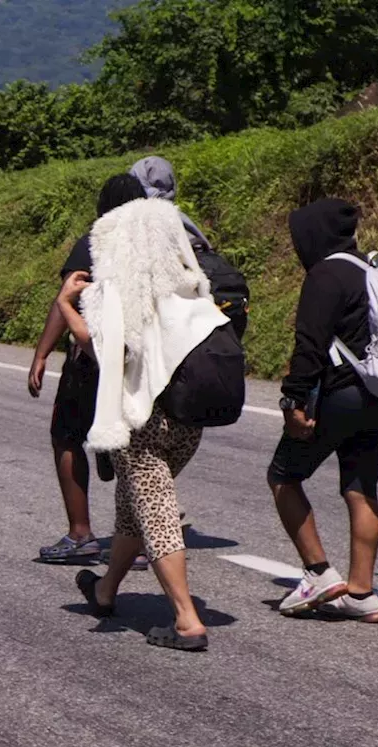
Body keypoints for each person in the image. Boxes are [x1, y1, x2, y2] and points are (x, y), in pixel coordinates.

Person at [65, 185, 231, 652]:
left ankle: (185, 619)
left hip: (143, 421)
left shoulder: (116, 286)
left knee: (155, 511)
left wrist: (66, 305)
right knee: (131, 505)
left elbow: (106, 349)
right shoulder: (189, 282)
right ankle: (104, 591)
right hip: (188, 418)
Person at [268, 200, 378, 623]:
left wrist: (293, 401)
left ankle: (319, 571)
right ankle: (362, 593)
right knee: (361, 487)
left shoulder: (326, 274)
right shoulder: (373, 271)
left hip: (339, 394)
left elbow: (310, 344)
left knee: (284, 475)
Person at [29, 175, 149, 564]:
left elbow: (68, 296)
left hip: (92, 361)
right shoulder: (152, 249)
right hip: (144, 363)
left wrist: (42, 354)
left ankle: (81, 535)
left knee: (66, 436)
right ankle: (146, 541)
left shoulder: (95, 243)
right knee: (136, 450)